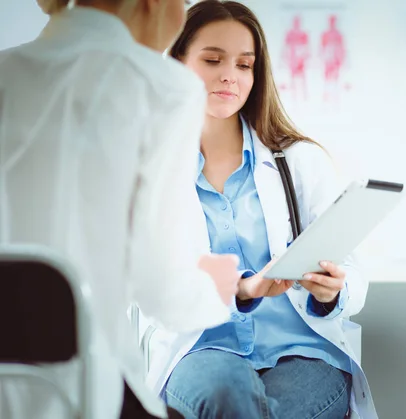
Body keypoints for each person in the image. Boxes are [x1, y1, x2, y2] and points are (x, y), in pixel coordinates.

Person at [0, 0, 240, 418]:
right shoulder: (163, 87)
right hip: (85, 394)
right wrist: (215, 289)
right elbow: (161, 290)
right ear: (154, 3)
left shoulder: (7, 72)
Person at [146, 1, 378, 418]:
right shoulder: (152, 170)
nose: (229, 76)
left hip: (302, 352)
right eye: (213, 59)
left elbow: (355, 279)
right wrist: (240, 290)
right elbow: (151, 285)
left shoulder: (300, 161)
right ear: (177, 61)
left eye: (244, 64)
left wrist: (332, 291)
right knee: (228, 394)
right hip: (200, 348)